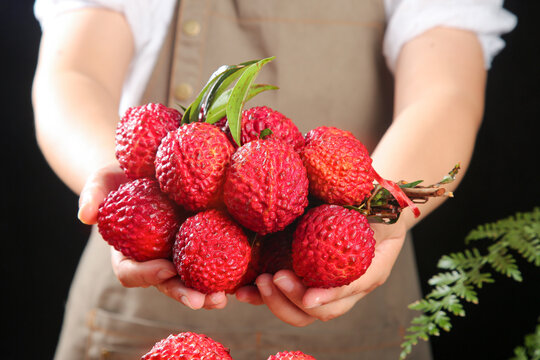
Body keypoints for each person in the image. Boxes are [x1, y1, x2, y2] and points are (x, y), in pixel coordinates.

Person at [32, 0, 516, 359]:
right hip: (142, 290)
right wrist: (115, 184)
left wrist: (377, 212)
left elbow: (446, 93)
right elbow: (74, 72)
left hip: (350, 296)